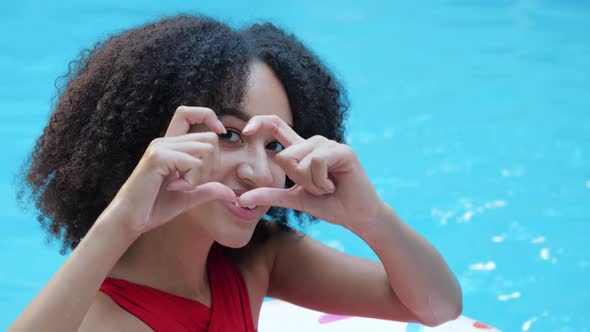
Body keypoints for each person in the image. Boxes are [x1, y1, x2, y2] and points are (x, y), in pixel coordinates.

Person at [10, 14, 462, 332]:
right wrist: (123, 218)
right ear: (154, 139)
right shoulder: (102, 314)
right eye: (227, 134)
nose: (259, 172)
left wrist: (371, 218)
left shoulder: (258, 257)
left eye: (273, 144)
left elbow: (437, 307)